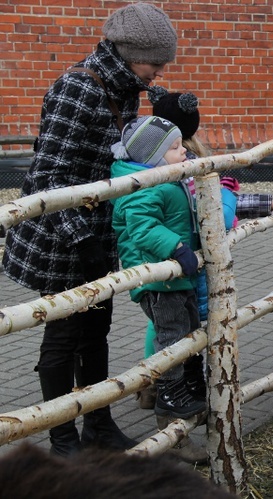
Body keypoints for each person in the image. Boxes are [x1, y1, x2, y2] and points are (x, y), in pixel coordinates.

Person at [1, 3, 178, 457]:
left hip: (98, 229)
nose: (158, 73)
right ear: (127, 51)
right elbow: (49, 173)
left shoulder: (126, 90)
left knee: (97, 327)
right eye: (154, 63)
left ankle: (98, 423)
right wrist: (82, 241)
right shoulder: (77, 88)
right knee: (62, 335)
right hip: (63, 235)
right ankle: (62, 437)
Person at [134, 87, 273, 408]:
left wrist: (264, 202)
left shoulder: (174, 159)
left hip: (176, 260)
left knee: (170, 325)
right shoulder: (183, 164)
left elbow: (212, 202)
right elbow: (218, 208)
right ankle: (163, 384)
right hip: (178, 258)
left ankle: (160, 383)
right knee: (173, 327)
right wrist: (253, 199)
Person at [110, 115, 207, 423]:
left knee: (188, 327)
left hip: (175, 276)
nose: (184, 152)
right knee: (172, 333)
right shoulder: (145, 186)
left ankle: (190, 380)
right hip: (157, 278)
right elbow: (142, 227)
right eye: (176, 147)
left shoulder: (162, 179)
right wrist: (176, 247)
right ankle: (167, 390)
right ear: (153, 156)